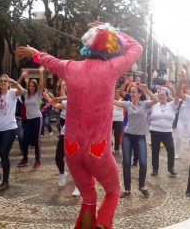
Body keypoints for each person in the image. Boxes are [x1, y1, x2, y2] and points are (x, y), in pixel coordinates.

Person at [16, 22, 143, 229]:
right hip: (98, 148)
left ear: (88, 45)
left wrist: (34, 53)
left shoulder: (71, 67)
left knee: (89, 197)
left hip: (72, 147)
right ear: (111, 47)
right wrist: (112, 29)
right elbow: (137, 48)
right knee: (112, 191)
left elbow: (50, 61)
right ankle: (102, 222)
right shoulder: (112, 68)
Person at [114, 84, 158, 198]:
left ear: (139, 94)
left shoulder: (145, 104)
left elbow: (156, 100)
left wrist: (147, 90)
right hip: (128, 136)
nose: (132, 94)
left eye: (134, 92)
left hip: (140, 137)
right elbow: (113, 101)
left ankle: (141, 186)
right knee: (127, 163)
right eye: (131, 92)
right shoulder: (127, 104)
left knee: (143, 162)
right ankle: (127, 189)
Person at [16, 67, 44, 169]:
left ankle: (38, 160)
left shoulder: (38, 94)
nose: (31, 87)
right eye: (30, 86)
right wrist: (22, 76)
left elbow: (41, 84)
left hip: (37, 119)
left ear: (35, 87)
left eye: (33, 86)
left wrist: (41, 72)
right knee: (25, 140)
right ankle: (25, 159)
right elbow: (16, 84)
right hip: (28, 120)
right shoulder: (25, 93)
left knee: (36, 140)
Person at [149, 85, 178, 177]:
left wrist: (173, 88)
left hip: (167, 132)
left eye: (163, 95)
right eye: (160, 95)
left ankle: (170, 168)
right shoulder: (154, 104)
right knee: (155, 150)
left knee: (171, 149)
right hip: (154, 131)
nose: (161, 97)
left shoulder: (172, 105)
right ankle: (155, 169)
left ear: (167, 96)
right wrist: (146, 90)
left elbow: (177, 97)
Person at [112, 89, 124, 153]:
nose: (116, 95)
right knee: (109, 135)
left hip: (119, 120)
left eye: (117, 94)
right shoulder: (110, 99)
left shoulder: (121, 100)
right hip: (111, 120)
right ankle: (109, 148)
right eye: (114, 93)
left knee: (117, 135)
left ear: (119, 94)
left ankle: (116, 149)